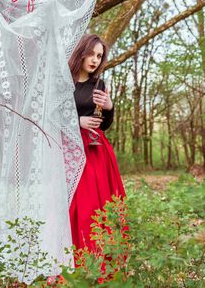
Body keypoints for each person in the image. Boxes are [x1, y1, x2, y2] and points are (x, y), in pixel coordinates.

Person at [68, 34, 126, 251]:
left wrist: (109, 107)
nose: (94, 60)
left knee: (98, 202)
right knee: (77, 202)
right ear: (81, 52)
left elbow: (103, 124)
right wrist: (77, 121)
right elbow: (50, 117)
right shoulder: (64, 82)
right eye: (91, 54)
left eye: (99, 56)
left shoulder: (99, 84)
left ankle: (100, 252)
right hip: (71, 149)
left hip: (96, 149)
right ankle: (76, 253)